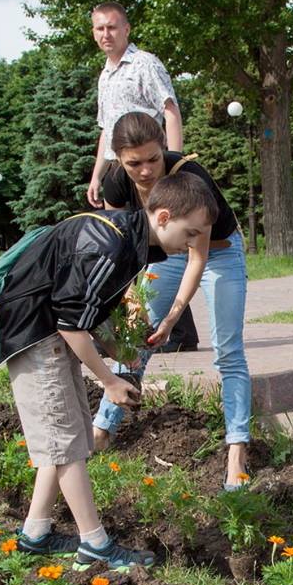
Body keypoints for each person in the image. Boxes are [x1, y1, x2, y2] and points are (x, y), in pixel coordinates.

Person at [0, 172, 219, 569]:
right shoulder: (111, 245)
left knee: (68, 436)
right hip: (36, 337)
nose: (193, 243)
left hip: (51, 333)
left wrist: (117, 350)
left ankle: (35, 534)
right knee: (65, 443)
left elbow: (90, 308)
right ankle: (94, 543)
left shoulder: (133, 243)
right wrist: (109, 380)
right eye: (192, 232)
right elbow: (70, 321)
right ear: (163, 217)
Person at [91, 112, 251, 490]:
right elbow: (122, 246)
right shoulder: (116, 183)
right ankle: (102, 430)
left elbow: (198, 256)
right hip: (163, 253)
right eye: (134, 163)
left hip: (217, 252)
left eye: (152, 158)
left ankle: (237, 450)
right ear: (117, 159)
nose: (146, 171)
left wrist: (173, 317)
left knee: (228, 350)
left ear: (163, 145)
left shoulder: (191, 175)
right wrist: (131, 303)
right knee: (136, 338)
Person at [87, 1, 198, 352]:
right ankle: (176, 333)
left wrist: (174, 165)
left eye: (112, 27)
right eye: (99, 28)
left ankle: (173, 331)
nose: (106, 34)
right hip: (119, 171)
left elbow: (170, 109)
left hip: (150, 168)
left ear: (126, 29)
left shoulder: (144, 63)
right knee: (127, 245)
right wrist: (97, 175)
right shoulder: (105, 75)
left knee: (159, 241)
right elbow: (106, 131)